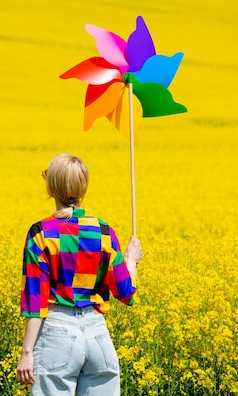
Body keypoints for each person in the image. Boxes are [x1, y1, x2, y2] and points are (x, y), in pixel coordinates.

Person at [16, 153, 143, 395]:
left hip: (57, 335)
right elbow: (127, 294)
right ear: (82, 189)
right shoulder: (103, 232)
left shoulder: (41, 233)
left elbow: (35, 300)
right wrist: (131, 261)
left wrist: (27, 353)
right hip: (97, 335)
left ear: (51, 188)